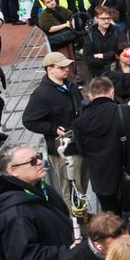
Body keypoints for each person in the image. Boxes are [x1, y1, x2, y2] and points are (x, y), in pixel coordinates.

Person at [72, 77, 130, 215]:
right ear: (111, 92)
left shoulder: (79, 122)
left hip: (102, 180)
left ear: (90, 96)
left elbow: (82, 152)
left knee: (112, 221)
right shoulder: (125, 111)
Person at [22, 52, 87, 214]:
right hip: (64, 152)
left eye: (67, 66)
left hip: (80, 145)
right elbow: (29, 120)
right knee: (72, 190)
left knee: (82, 187)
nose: (67, 70)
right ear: (49, 69)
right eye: (62, 67)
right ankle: (77, 224)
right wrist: (53, 129)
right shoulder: (41, 94)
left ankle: (83, 216)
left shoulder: (70, 86)